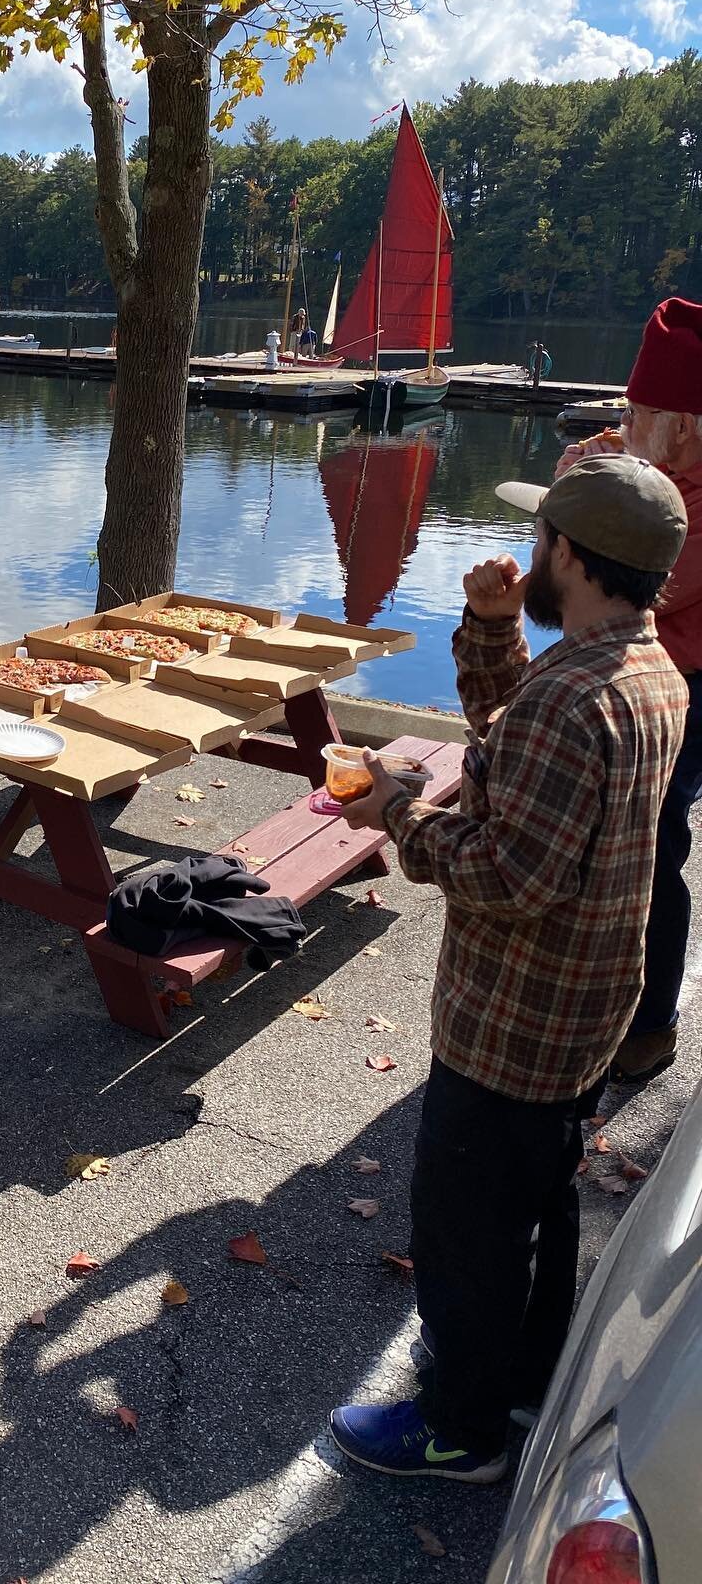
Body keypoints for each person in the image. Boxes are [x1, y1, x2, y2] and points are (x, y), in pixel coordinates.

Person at [327, 455, 688, 1484]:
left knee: (469, 1236)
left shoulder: (573, 696)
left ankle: (460, 1429)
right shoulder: (640, 667)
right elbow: (512, 755)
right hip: (584, 1012)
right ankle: (526, 1383)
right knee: (541, 1203)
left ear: (571, 553)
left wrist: (395, 808)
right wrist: (490, 628)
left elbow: (508, 871)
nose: (528, 555)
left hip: (513, 1017)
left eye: (539, 542)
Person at [554, 298, 702, 1083]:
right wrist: (590, 480)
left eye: (639, 412)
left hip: (690, 683)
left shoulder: (687, 495)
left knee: (654, 844)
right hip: (644, 668)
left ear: (683, 423)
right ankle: (603, 994)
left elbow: (637, 588)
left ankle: (651, 1025)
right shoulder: (656, 469)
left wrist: (595, 498)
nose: (624, 420)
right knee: (612, 838)